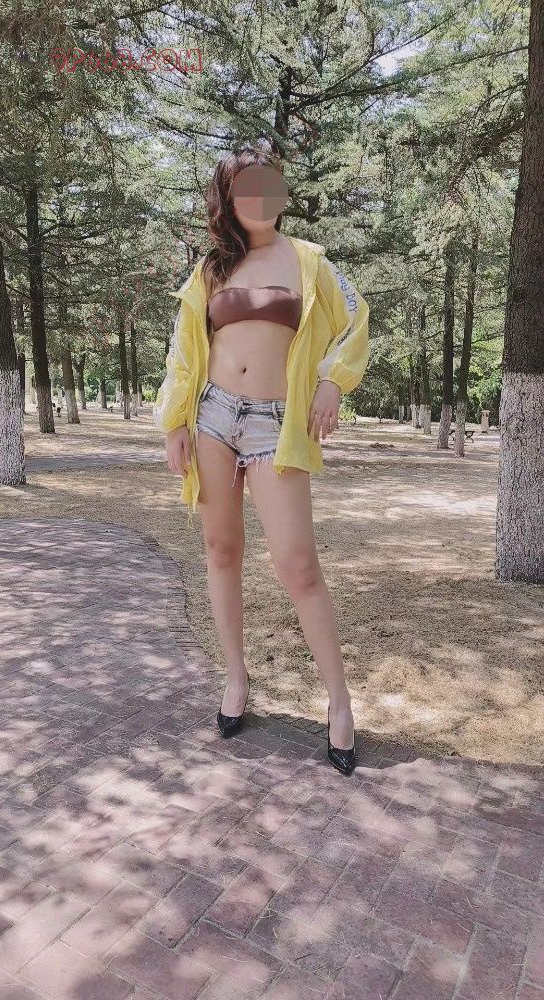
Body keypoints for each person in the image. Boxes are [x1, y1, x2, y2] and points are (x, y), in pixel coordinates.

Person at [154, 144, 370, 775]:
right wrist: (175, 422)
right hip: (213, 416)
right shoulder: (210, 269)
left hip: (277, 423)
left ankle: (339, 704)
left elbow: (356, 320)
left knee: (297, 564)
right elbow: (182, 350)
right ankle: (236, 678)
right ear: (228, 198)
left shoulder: (309, 261)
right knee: (222, 551)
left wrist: (332, 381)